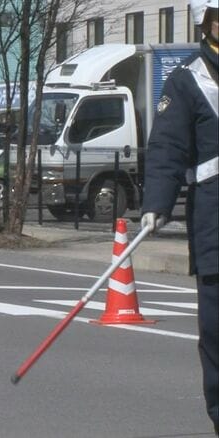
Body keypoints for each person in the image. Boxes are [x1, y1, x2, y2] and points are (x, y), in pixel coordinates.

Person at [140, 0, 218, 433]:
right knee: (217, 333)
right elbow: (167, 149)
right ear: (205, 22)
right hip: (215, 226)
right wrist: (156, 204)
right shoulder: (188, 80)